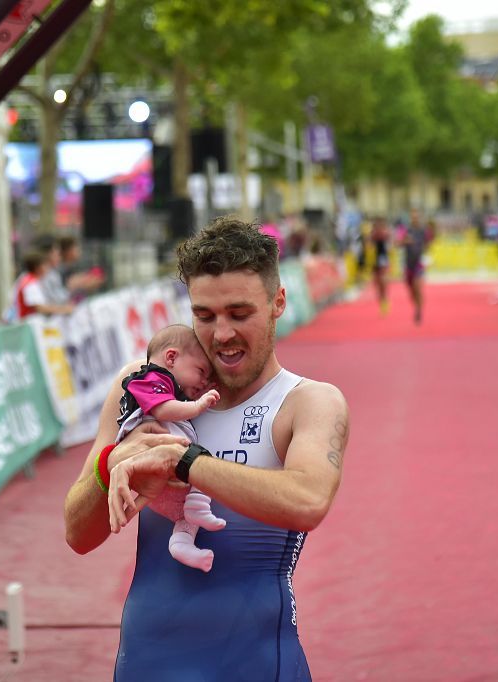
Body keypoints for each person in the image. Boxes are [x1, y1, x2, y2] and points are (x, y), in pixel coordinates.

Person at [63, 216, 350, 680]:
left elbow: (307, 501)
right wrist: (109, 465)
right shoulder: (142, 386)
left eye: (240, 314)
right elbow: (79, 534)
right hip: (147, 661)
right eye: (204, 316)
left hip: (257, 663)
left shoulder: (307, 402)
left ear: (278, 302)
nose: (221, 335)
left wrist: (186, 461)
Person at [114, 324, 223, 572]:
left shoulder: (174, 387)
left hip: (164, 487)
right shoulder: (152, 377)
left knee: (186, 515)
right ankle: (196, 505)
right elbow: (163, 409)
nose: (204, 381)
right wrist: (197, 405)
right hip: (154, 447)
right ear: (171, 357)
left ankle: (182, 542)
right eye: (200, 371)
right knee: (202, 462)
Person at [3, 251, 73, 322]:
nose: (47, 268)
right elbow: (39, 308)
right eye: (45, 265)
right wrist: (64, 309)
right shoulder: (30, 284)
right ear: (38, 268)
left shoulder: (26, 279)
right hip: (25, 325)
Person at [400, 209, 431, 324]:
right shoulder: (406, 230)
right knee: (412, 291)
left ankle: (419, 310)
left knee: (417, 287)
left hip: (419, 264)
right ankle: (416, 304)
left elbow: (428, 244)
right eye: (412, 217)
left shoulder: (423, 231)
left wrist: (427, 257)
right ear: (410, 218)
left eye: (416, 217)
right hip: (408, 264)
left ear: (419, 218)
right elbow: (397, 243)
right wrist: (404, 241)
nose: (415, 219)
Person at [370, 216, 392, 316]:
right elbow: (369, 246)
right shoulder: (373, 235)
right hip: (374, 260)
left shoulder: (385, 233)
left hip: (383, 259)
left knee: (383, 282)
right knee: (377, 284)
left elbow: (390, 244)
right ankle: (381, 300)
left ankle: (384, 301)